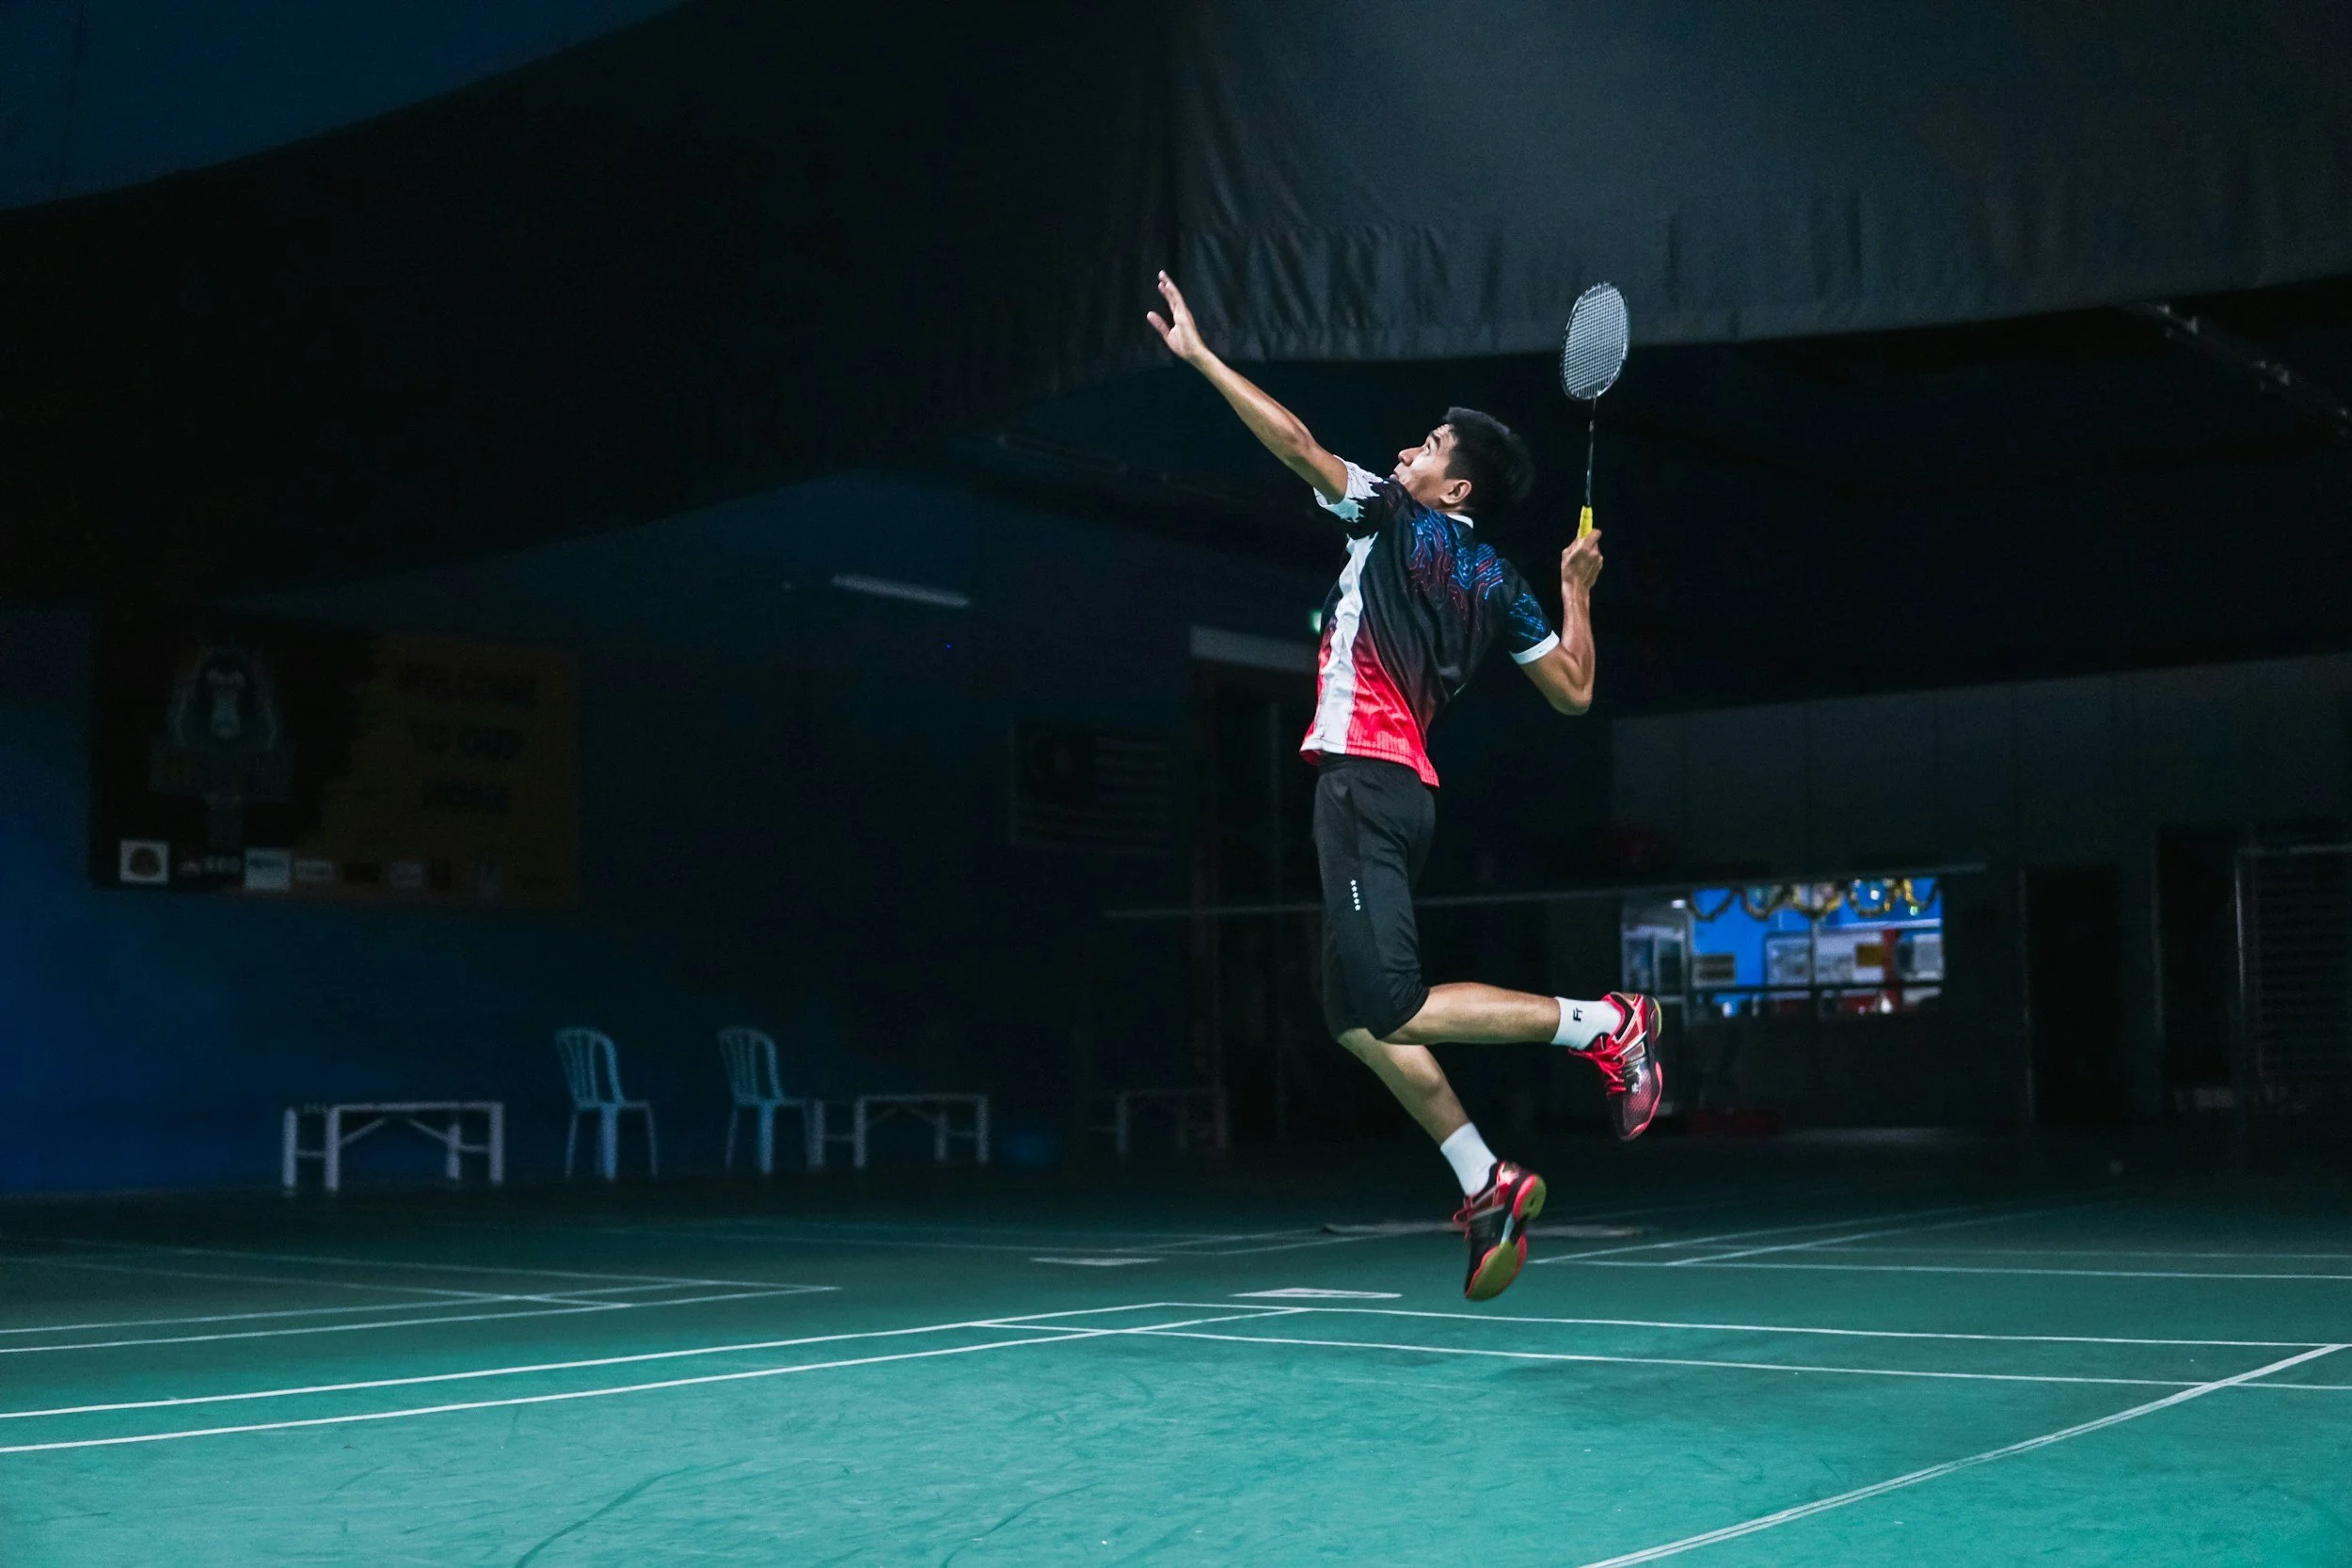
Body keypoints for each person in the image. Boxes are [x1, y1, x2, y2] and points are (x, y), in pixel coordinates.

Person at [1147, 272, 1662, 1302]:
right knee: (1355, 1018)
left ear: (1453, 489)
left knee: (1397, 1003)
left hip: (1364, 785)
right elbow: (1571, 688)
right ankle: (1488, 1180)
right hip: (1399, 792)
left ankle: (1604, 1022)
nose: (1403, 454)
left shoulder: (1388, 519)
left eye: (1425, 447)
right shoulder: (1497, 582)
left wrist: (1203, 360)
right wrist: (1574, 592)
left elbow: (1296, 442)